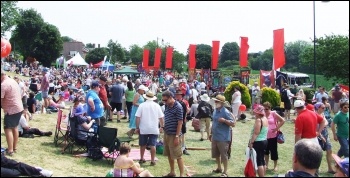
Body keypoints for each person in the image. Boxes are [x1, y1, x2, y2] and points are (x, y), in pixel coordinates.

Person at [135, 91, 164, 166]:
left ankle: (141, 158)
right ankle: (152, 160)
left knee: (142, 144)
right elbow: (161, 118)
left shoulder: (142, 105)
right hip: (154, 128)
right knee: (153, 145)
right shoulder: (157, 106)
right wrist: (162, 126)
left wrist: (137, 127)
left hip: (143, 128)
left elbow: (138, 117)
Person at [210, 95, 235, 177]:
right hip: (215, 136)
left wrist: (224, 120)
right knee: (216, 154)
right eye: (215, 101)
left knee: (224, 155)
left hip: (223, 137)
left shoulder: (226, 112)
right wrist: (211, 133)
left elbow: (233, 123)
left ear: (221, 103)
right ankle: (219, 168)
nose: (215, 102)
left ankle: (225, 172)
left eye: (217, 101)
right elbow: (214, 122)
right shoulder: (215, 110)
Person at [161, 90, 185, 177]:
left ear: (171, 98)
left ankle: (181, 174)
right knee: (169, 154)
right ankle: (172, 172)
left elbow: (180, 122)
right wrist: (162, 127)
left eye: (166, 100)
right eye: (163, 100)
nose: (164, 102)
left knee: (178, 155)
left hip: (174, 134)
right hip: (167, 133)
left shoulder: (178, 107)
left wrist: (177, 136)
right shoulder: (167, 106)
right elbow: (166, 118)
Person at [1, 69, 24, 156]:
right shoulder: (12, 80)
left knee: (7, 129)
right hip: (18, 107)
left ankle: (10, 150)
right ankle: (14, 147)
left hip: (11, 109)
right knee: (14, 127)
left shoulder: (3, 85)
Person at [263, 101, 285, 172]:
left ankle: (275, 166)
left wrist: (276, 128)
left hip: (273, 136)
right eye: (264, 109)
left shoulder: (273, 113)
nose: (265, 110)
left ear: (270, 108)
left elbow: (282, 120)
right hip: (265, 136)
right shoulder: (263, 114)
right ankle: (266, 165)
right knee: (266, 151)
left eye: (266, 109)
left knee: (274, 151)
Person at [314, 102, 335, 174]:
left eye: (325, 108)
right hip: (318, 136)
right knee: (318, 153)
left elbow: (326, 123)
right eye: (323, 108)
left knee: (329, 150)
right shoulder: (314, 115)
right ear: (318, 108)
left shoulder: (322, 114)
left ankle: (330, 168)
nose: (324, 109)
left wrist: (323, 123)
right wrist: (320, 136)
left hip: (325, 134)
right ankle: (316, 170)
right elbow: (316, 129)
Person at [249, 105, 268, 177]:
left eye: (256, 112)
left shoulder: (259, 120)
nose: (255, 114)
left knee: (258, 161)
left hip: (258, 141)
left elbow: (256, 133)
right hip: (264, 140)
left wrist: (251, 142)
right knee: (262, 159)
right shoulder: (265, 119)